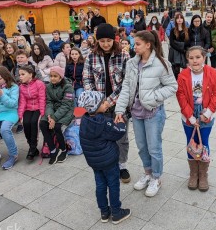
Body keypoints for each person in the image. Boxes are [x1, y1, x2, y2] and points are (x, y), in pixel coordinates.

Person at [115, 30, 177, 197]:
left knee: (154, 147)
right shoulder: (131, 64)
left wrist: (153, 97)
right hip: (136, 113)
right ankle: (148, 173)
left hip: (153, 113)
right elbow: (126, 87)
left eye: (138, 44)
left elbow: (172, 86)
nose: (134, 47)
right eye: (134, 44)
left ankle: (156, 177)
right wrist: (120, 109)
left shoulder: (162, 63)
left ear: (148, 45)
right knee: (142, 147)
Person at [83, 23, 131, 183]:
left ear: (114, 39)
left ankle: (122, 165)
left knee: (121, 136)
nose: (105, 44)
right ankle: (110, 164)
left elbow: (127, 82)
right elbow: (87, 79)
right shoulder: (91, 56)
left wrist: (109, 102)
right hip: (99, 106)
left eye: (108, 40)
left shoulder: (123, 56)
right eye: (102, 40)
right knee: (104, 136)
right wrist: (97, 101)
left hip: (119, 104)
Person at [78, 91, 131, 224]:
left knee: (100, 185)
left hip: (94, 162)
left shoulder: (84, 120)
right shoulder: (103, 123)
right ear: (95, 107)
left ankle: (104, 212)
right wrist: (121, 124)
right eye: (102, 102)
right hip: (109, 161)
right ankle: (117, 212)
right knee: (113, 185)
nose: (106, 103)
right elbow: (118, 133)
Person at [176, 46, 216, 191]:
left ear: (204, 57)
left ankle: (203, 173)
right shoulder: (183, 74)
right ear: (187, 59)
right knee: (191, 142)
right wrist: (190, 116)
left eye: (198, 57)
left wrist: (207, 113)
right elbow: (181, 95)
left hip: (206, 113)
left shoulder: (212, 72)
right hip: (188, 114)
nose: (195, 61)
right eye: (191, 58)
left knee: (204, 142)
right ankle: (193, 173)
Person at [39, 66, 74, 164]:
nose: (52, 78)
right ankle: (53, 149)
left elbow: (66, 105)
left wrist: (54, 118)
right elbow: (49, 102)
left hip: (67, 111)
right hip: (53, 110)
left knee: (57, 127)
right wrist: (50, 116)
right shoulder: (49, 86)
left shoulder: (68, 87)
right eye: (51, 76)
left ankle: (63, 149)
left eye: (55, 76)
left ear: (61, 77)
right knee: (42, 123)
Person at [17, 65, 46, 161]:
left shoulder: (39, 83)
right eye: (19, 74)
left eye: (22, 74)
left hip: (38, 108)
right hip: (28, 108)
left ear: (30, 74)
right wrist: (20, 115)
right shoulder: (21, 86)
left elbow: (42, 98)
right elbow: (22, 101)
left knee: (34, 123)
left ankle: (32, 149)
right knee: (26, 123)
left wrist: (42, 112)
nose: (20, 76)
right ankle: (32, 147)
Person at [168, 13, 189, 80]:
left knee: (185, 68)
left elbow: (187, 41)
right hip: (175, 51)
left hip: (184, 51)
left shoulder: (186, 30)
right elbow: (171, 43)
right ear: (175, 20)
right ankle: (176, 84)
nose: (179, 20)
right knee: (176, 70)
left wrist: (184, 50)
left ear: (183, 19)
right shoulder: (173, 30)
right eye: (178, 18)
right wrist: (180, 49)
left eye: (181, 18)